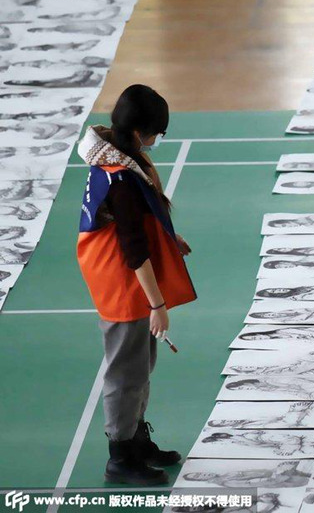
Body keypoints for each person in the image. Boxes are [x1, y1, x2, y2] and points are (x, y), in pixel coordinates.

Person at [77, 85, 196, 485]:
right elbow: (133, 251)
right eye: (156, 132)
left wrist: (170, 237)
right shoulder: (121, 179)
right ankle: (120, 456)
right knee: (125, 374)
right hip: (123, 283)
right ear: (141, 130)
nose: (156, 140)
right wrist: (157, 305)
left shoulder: (120, 156)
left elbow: (141, 223)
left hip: (128, 278)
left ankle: (136, 438)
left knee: (141, 367)